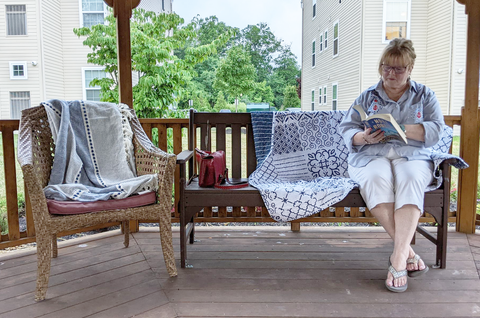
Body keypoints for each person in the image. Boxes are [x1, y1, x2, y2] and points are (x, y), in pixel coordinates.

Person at [338, 38, 444, 293]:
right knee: (375, 178)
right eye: (386, 67)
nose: (391, 73)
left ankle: (397, 260)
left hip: (412, 155)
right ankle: (407, 253)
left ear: (410, 69)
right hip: (371, 154)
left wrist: (404, 129)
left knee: (410, 178)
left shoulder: (424, 95)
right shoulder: (367, 96)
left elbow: (437, 129)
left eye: (398, 68)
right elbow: (346, 128)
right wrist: (362, 137)